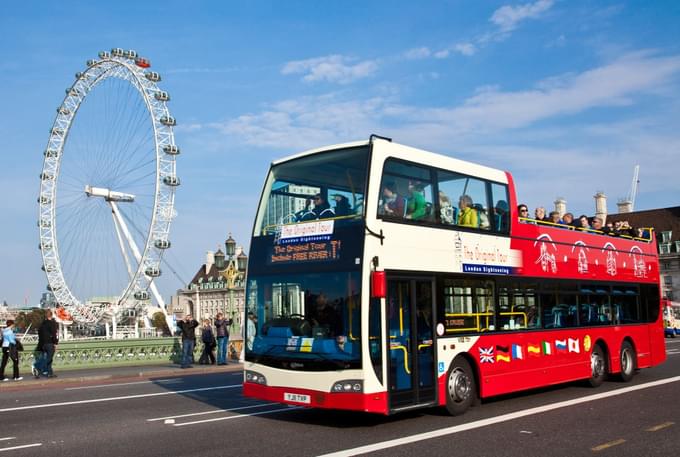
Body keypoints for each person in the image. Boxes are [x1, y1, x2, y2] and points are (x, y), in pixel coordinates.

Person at [34, 309, 59, 378]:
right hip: (49, 343)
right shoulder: (52, 323)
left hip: (42, 344)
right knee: (49, 358)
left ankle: (49, 373)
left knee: (48, 358)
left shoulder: (42, 324)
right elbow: (54, 334)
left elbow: (39, 333)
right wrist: (56, 343)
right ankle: (37, 367)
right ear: (51, 315)